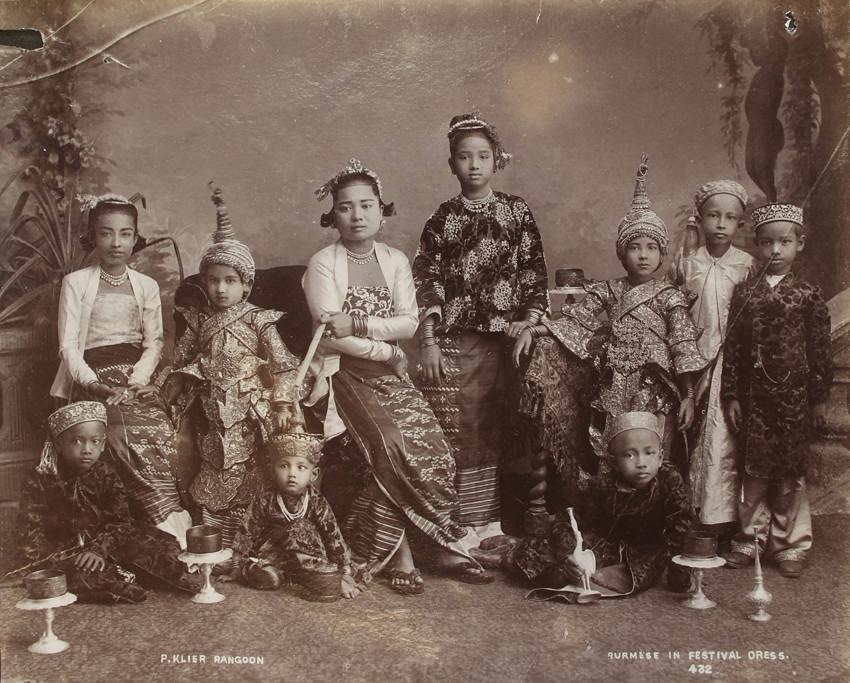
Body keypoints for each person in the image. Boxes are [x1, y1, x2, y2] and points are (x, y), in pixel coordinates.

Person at [303, 158, 491, 595]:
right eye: (346, 208)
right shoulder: (323, 263)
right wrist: (386, 349)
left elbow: (409, 322)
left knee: (436, 447)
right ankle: (399, 553)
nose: (357, 216)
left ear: (381, 210)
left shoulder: (395, 260)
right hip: (340, 376)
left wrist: (366, 328)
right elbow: (332, 333)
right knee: (389, 445)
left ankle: (441, 543)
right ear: (333, 215)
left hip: (389, 375)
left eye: (366, 205)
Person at [513, 157, 707, 484]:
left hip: (655, 386)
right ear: (622, 253)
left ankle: (653, 516)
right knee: (612, 449)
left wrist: (687, 395)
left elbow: (683, 345)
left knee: (653, 450)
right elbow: (577, 317)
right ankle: (608, 511)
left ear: (661, 254)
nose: (642, 255)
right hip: (613, 382)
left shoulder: (670, 295)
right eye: (634, 247)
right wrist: (534, 329)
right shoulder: (610, 289)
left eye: (650, 248)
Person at [413, 111, 549, 536]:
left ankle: (495, 519)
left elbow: (533, 270)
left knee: (504, 423)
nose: (474, 165)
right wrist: (431, 339)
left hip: (508, 340)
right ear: (451, 163)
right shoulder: (442, 217)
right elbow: (426, 277)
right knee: (463, 425)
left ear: (497, 161)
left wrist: (528, 321)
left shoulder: (515, 211)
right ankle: (463, 521)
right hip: (458, 341)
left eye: (483, 156)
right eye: (464, 157)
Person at [50, 193, 191, 545]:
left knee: (161, 428)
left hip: (133, 377)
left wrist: (139, 380)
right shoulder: (77, 283)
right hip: (90, 378)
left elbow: (154, 343)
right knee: (118, 433)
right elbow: (68, 346)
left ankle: (173, 525)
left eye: (125, 234)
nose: (116, 243)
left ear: (135, 237)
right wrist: (96, 386)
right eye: (106, 233)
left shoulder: (146, 286)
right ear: (92, 237)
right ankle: (154, 530)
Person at [167, 185, 300, 550]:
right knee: (213, 466)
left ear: (247, 284)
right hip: (210, 408)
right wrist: (174, 384)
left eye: (230, 281)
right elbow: (180, 362)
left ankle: (253, 546)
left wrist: (284, 403)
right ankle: (216, 544)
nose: (221, 289)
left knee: (251, 471)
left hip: (251, 408)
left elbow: (284, 365)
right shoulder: (198, 321)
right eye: (213, 280)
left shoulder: (259, 320)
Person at [721, 203, 832, 578]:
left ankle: (791, 544)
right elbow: (733, 348)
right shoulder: (745, 293)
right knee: (751, 474)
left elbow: (820, 350)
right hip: (755, 401)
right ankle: (749, 538)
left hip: (794, 401)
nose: (775, 250)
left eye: (784, 242)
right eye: (767, 243)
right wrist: (732, 395)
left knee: (789, 475)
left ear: (799, 244)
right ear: (757, 245)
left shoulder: (808, 294)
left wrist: (818, 399)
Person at [15, 402, 197, 603]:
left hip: (106, 541)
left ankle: (141, 573)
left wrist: (99, 549)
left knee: (162, 546)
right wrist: (58, 557)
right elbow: (30, 531)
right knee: (72, 574)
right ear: (58, 445)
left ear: (103, 445)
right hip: (65, 549)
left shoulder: (107, 474)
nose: (87, 449)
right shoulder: (40, 478)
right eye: (77, 441)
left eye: (95, 442)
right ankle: (115, 584)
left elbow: (121, 521)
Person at [505, 411, 694, 601]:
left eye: (649, 453)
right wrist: (570, 553)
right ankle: (507, 555)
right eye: (629, 455)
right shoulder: (602, 485)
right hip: (601, 547)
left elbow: (681, 524)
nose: (641, 463)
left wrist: (680, 571)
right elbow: (570, 521)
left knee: (605, 578)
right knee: (539, 555)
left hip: (643, 553)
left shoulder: (668, 479)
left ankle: (514, 556)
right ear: (614, 462)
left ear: (660, 457)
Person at [668, 180, 754, 533]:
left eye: (730, 218)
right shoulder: (689, 266)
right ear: (700, 219)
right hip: (694, 363)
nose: (721, 224)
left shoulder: (747, 265)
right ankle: (692, 513)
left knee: (724, 441)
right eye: (713, 216)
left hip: (731, 364)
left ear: (740, 224)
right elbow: (677, 319)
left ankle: (723, 519)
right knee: (692, 439)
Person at [233, 431, 361, 602]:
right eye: (284, 466)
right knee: (272, 576)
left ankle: (328, 579)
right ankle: (265, 573)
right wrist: (235, 563)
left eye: (301, 467)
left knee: (299, 528)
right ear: (273, 470)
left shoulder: (316, 501)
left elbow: (333, 534)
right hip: (277, 553)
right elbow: (249, 527)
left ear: (313, 475)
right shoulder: (266, 498)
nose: (292, 474)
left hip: (310, 554)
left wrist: (345, 569)